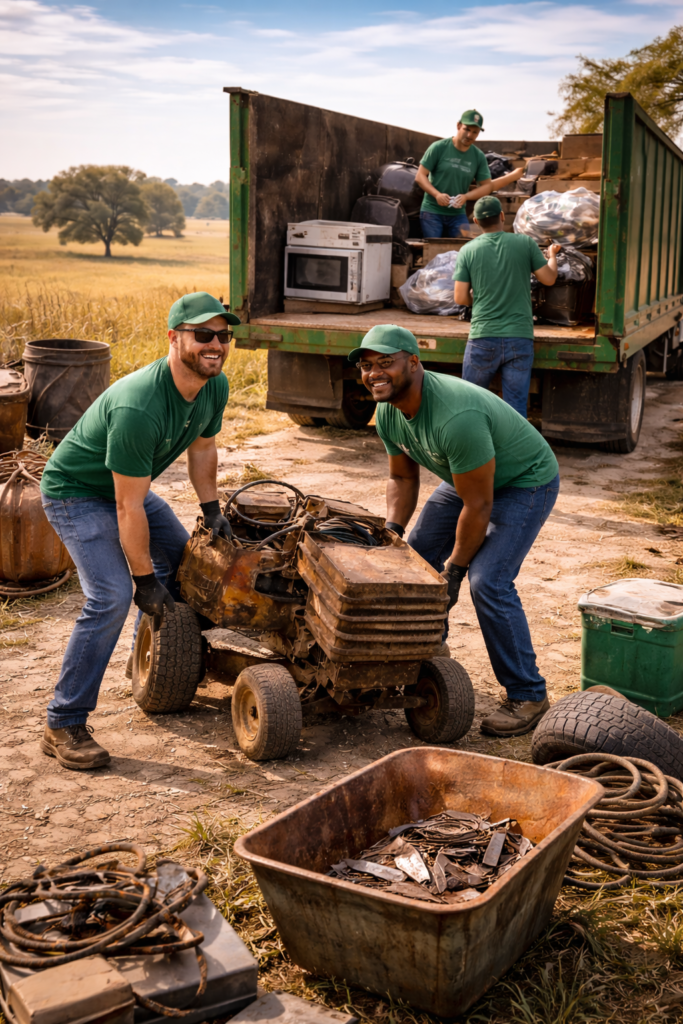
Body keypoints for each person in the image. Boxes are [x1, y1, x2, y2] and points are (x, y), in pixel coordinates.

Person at [39, 291, 239, 770]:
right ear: (173, 337)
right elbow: (128, 508)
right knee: (110, 595)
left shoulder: (214, 385)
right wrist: (144, 580)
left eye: (224, 335)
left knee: (191, 566)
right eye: (203, 334)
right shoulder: (139, 406)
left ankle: (147, 661)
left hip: (126, 487)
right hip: (78, 492)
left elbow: (203, 448)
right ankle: (62, 720)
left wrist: (211, 510)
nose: (216, 344)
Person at [349, 323, 560, 738]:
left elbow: (478, 505)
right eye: (367, 365)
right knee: (415, 558)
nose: (373, 373)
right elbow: (403, 479)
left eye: (385, 363)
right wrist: (392, 531)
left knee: (488, 582)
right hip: (469, 478)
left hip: (524, 481)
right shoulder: (389, 409)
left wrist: (456, 572)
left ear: (414, 362)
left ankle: (528, 694)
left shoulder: (455, 415)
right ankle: (427, 654)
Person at [454, 195, 560, 418]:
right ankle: (514, 451)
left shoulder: (468, 250)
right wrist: (552, 256)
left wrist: (479, 301)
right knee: (515, 408)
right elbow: (548, 279)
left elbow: (460, 298)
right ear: (502, 216)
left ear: (475, 221)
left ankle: (474, 449)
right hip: (519, 338)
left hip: (483, 337)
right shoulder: (525, 243)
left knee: (469, 403)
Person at [415, 110, 523, 239]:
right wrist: (437, 195)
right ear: (458, 126)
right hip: (432, 212)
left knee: (462, 251)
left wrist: (466, 197)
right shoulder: (439, 147)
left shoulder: (478, 156)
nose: (470, 135)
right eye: (467, 129)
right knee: (432, 251)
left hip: (458, 214)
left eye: (475, 132)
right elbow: (420, 176)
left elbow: (487, 187)